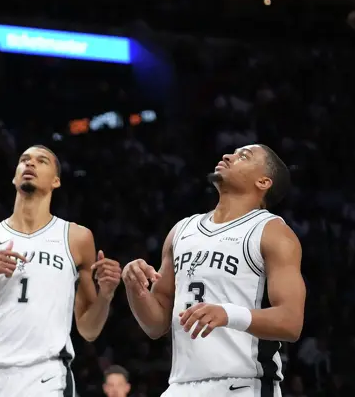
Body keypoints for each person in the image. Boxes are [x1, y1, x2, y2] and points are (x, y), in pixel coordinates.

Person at [122, 144, 305, 397]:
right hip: (181, 385)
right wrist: (136, 288)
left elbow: (291, 322)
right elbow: (156, 325)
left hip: (243, 384)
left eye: (244, 156)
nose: (228, 156)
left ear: (263, 182)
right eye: (232, 152)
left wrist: (228, 314)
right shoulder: (181, 230)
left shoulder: (272, 232)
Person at [0, 145, 122, 397]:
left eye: (41, 161)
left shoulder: (76, 238)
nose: (30, 164)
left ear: (56, 181)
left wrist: (106, 296)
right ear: (15, 176)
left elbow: (89, 330)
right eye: (24, 160)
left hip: (46, 379)